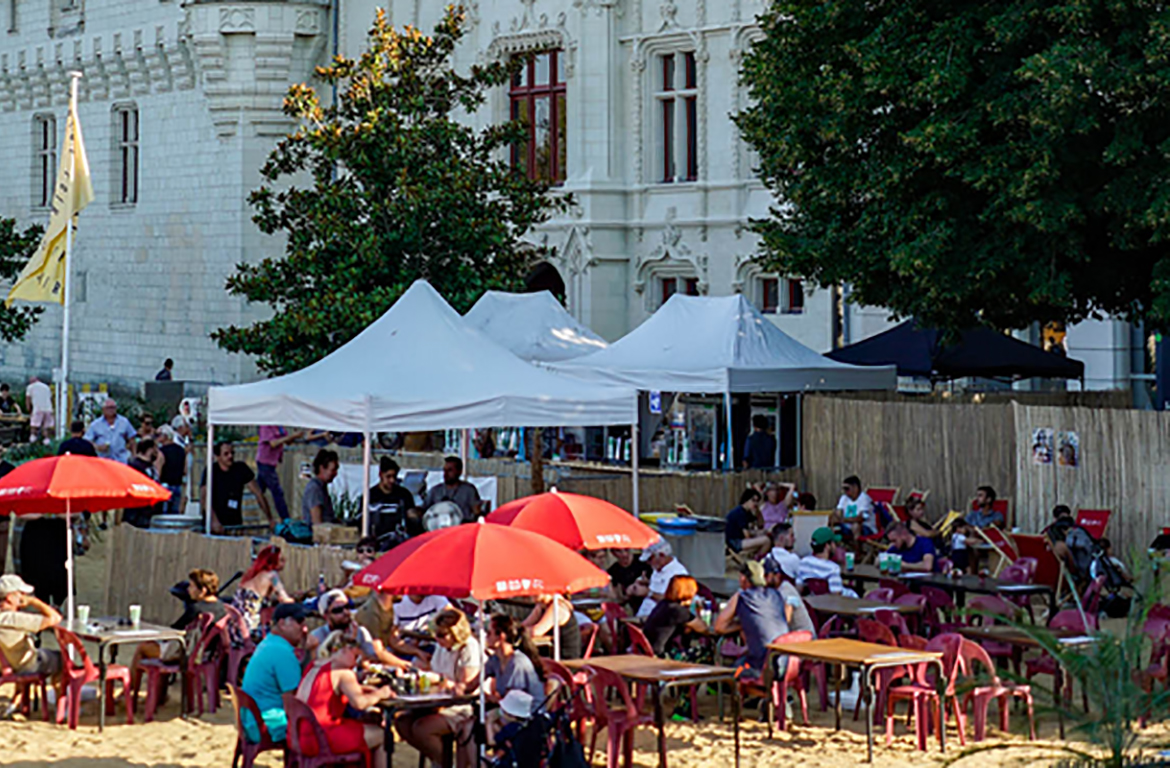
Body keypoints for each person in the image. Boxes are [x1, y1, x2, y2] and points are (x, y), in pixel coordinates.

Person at [397, 608, 482, 768]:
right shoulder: (441, 646)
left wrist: (442, 680)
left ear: (455, 634)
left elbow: (465, 690)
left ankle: (446, 763)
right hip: (439, 700)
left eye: (442, 635)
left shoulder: (469, 647)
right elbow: (435, 672)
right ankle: (440, 760)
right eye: (435, 634)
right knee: (402, 722)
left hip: (462, 707)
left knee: (422, 729)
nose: (437, 638)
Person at [298, 628, 393, 768]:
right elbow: (359, 703)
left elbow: (326, 689)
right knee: (382, 735)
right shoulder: (342, 672)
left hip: (300, 736)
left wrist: (363, 689)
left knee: (365, 722)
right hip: (323, 737)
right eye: (356, 657)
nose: (356, 663)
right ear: (344, 650)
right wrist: (382, 693)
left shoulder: (314, 665)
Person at [131, 569, 228, 693]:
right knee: (163, 646)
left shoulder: (196, 609)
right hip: (205, 653)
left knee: (143, 648)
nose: (188, 590)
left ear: (203, 590)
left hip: (187, 654)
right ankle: (159, 695)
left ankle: (130, 691)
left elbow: (174, 630)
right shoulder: (221, 607)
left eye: (192, 586)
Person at [241, 602, 308, 743]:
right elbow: (293, 702)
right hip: (267, 725)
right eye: (300, 622)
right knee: (323, 728)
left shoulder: (269, 643)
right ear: (282, 623)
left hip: (251, 721)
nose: (305, 629)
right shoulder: (282, 652)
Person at [714, 560, 790, 681]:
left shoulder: (741, 597)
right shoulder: (777, 595)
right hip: (788, 664)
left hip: (760, 667)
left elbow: (719, 627)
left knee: (731, 672)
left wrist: (741, 625)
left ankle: (741, 696)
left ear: (744, 578)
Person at [308, 589, 410, 670]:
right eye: (338, 610)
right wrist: (348, 644)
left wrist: (358, 650)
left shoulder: (360, 632)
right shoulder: (317, 636)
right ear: (326, 616)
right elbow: (318, 667)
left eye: (347, 607)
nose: (345, 612)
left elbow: (374, 659)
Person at [202, 441, 275, 533]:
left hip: (234, 524)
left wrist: (270, 518)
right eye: (226, 454)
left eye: (232, 453)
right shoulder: (211, 470)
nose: (230, 456)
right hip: (215, 525)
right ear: (218, 456)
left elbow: (258, 493)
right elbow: (204, 498)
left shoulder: (240, 469)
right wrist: (213, 520)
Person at [0, 574, 62, 681]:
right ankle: (61, 695)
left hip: (8, 663)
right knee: (62, 659)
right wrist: (34, 601)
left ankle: (22, 695)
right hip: (27, 664)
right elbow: (55, 618)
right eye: (22, 594)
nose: (24, 597)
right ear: (10, 598)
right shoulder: (14, 619)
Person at [231, 545, 295, 644]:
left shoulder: (252, 575)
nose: (285, 562)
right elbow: (284, 599)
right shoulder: (272, 576)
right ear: (273, 561)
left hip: (235, 629)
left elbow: (257, 598)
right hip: (252, 630)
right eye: (281, 560)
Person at [642, 575, 706, 656]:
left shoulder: (664, 604)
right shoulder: (678, 611)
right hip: (662, 654)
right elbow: (702, 628)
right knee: (703, 652)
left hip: (649, 649)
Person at [629, 539, 690, 619]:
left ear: (662, 555)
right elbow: (660, 587)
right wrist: (647, 583)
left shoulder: (679, 573)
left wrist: (648, 593)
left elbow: (674, 604)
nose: (648, 563)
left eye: (650, 559)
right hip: (644, 615)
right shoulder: (657, 568)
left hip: (658, 620)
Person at [256, 425, 303, 521]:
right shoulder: (266, 426)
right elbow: (273, 443)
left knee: (259, 491)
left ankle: (268, 517)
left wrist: (295, 436)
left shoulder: (279, 427)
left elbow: (286, 441)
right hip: (265, 462)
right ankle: (285, 518)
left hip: (272, 463)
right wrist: (293, 437)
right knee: (277, 492)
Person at [796, 527, 858, 598]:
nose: (836, 546)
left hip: (813, 601)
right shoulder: (833, 568)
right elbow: (836, 595)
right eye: (834, 543)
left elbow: (799, 587)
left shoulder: (804, 562)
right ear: (827, 546)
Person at [763, 556, 815, 636]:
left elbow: (785, 620)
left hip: (804, 638)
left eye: (766, 575)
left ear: (777, 575)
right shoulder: (771, 592)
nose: (763, 579)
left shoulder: (787, 591)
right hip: (791, 636)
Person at [368, 457, 416, 539]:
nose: (392, 480)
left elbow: (412, 517)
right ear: (380, 475)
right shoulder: (370, 495)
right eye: (388, 476)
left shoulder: (404, 494)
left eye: (394, 476)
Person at [522, 593, 581, 659]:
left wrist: (516, 631)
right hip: (551, 654)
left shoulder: (558, 606)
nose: (532, 593)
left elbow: (536, 631)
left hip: (564, 660)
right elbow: (524, 625)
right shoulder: (542, 606)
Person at [424, 456, 481, 522]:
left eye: (450, 470)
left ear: (459, 471)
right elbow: (425, 510)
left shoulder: (469, 490)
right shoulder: (435, 490)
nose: (445, 474)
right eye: (444, 470)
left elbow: (477, 512)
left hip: (462, 526)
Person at [84, 399, 138, 463]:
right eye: (108, 408)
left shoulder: (124, 422)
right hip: (102, 460)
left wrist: (134, 455)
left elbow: (132, 438)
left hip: (121, 460)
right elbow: (87, 440)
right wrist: (97, 447)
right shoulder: (95, 424)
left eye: (113, 407)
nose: (111, 410)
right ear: (103, 409)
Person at [725, 487, 772, 559]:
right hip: (733, 542)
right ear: (746, 500)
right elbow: (747, 535)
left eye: (757, 501)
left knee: (763, 533)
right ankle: (756, 560)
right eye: (753, 500)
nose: (755, 503)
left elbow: (761, 524)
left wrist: (758, 510)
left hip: (738, 539)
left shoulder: (747, 512)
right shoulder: (740, 513)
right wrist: (756, 536)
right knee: (766, 541)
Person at [126, 438, 163, 527]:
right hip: (138, 511)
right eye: (155, 450)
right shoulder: (135, 466)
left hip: (151, 509)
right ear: (150, 449)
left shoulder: (151, 467)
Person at [302, 448, 339, 525]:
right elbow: (317, 522)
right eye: (333, 470)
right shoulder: (314, 489)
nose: (336, 474)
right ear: (322, 468)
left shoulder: (322, 487)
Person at [156, 425, 187, 514]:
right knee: (175, 514)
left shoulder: (161, 452)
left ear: (165, 436)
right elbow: (185, 470)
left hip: (165, 485)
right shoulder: (181, 450)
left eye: (159, 435)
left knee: (163, 514)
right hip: (178, 485)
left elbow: (158, 471)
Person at [24, 375, 54, 443]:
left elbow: (28, 399)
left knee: (34, 425)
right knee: (46, 427)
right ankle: (46, 441)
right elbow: (50, 398)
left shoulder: (30, 387)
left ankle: (33, 440)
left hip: (37, 409)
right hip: (48, 409)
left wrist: (29, 410)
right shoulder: (46, 387)